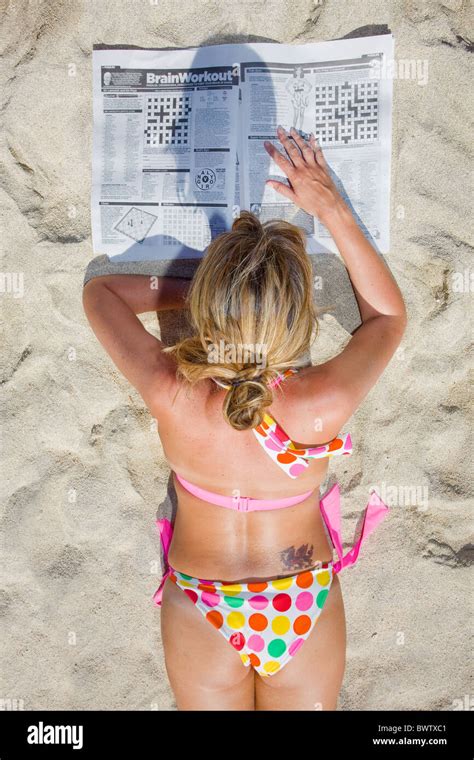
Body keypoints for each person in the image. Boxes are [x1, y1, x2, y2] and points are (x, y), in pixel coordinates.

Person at [82, 126, 407, 710]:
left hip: (202, 601)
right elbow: (387, 317)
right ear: (297, 318)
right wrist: (330, 205)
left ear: (207, 303)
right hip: (298, 598)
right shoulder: (319, 403)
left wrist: (211, 291)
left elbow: (100, 295)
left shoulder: (175, 394)